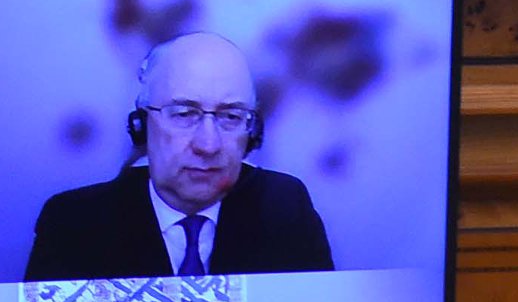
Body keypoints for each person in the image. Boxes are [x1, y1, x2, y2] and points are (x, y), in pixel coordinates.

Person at [24, 32, 335, 281]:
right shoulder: (72, 225)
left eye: (231, 116)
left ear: (252, 131)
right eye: (185, 114)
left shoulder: (285, 210)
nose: (209, 145)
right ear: (142, 125)